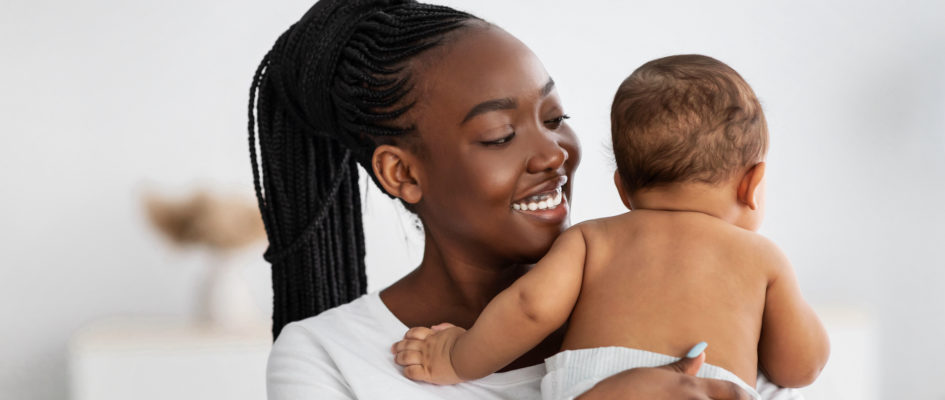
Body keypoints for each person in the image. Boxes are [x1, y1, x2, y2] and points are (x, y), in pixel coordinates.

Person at [249, 0, 803, 398]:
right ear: (403, 172)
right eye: (499, 135)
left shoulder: (716, 311)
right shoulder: (329, 357)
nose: (552, 154)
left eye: (556, 118)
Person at [391, 54, 830, 400]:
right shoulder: (760, 259)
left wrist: (454, 358)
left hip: (589, 389)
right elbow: (799, 368)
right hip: (708, 388)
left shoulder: (591, 239)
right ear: (752, 185)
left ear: (622, 187)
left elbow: (530, 308)